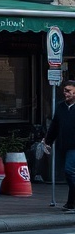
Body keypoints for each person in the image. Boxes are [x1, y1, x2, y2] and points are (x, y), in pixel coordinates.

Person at [42, 79, 75, 211]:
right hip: (64, 145)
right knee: (68, 174)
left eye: (69, 91)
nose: (66, 93)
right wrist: (47, 141)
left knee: (69, 171)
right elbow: (55, 126)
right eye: (64, 91)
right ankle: (71, 202)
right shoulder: (61, 107)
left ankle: (71, 202)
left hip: (74, 147)